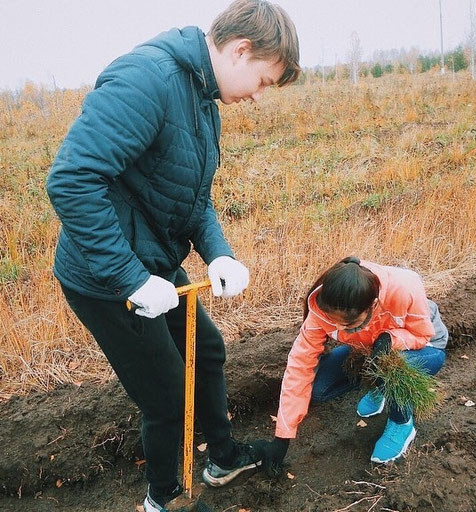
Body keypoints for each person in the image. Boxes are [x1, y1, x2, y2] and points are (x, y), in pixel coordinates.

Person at [45, 1, 300, 510]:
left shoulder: (202, 98)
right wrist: (129, 280)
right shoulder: (149, 81)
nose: (258, 96)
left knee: (207, 352)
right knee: (165, 399)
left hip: (155, 263)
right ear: (240, 50)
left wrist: (218, 253)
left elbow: (190, 196)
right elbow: (71, 182)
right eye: (265, 81)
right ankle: (162, 499)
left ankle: (221, 456)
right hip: (104, 278)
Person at [259, 256, 448, 476]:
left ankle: (401, 423)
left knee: (390, 368)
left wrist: (390, 339)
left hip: (424, 346)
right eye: (333, 321)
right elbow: (299, 366)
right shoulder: (324, 308)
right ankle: (377, 386)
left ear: (373, 306)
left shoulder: (404, 288)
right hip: (369, 348)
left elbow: (422, 335)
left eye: (348, 324)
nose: (338, 328)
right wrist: (282, 437)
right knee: (319, 388)